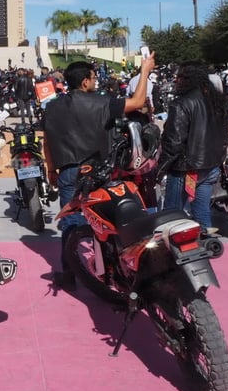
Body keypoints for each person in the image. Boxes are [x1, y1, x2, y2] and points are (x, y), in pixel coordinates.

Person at [42, 53, 156, 291]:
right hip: (100, 171)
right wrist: (145, 71)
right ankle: (114, 269)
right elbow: (137, 102)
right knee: (108, 220)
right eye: (93, 78)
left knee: (71, 223)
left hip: (67, 171)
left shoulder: (51, 107)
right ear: (85, 81)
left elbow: (47, 141)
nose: (95, 82)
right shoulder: (102, 102)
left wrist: (51, 169)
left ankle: (70, 271)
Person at [159, 61, 228, 234]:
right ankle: (204, 246)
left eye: (179, 76)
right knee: (202, 213)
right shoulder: (216, 100)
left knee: (172, 217)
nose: (176, 80)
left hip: (186, 169)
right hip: (210, 165)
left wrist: (160, 168)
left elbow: (173, 142)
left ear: (187, 79)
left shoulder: (181, 104)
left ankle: (173, 255)